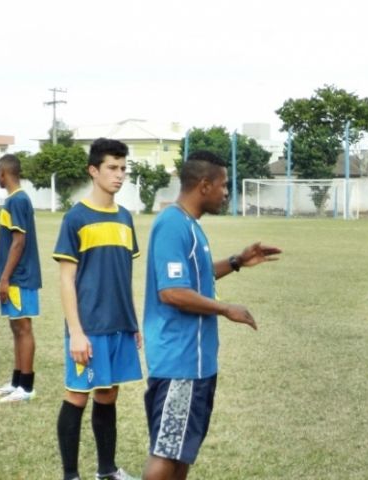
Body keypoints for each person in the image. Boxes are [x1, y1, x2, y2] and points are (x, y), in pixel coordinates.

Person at [142, 150, 280, 480]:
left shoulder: (190, 226)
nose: (226, 192)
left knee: (182, 452)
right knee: (167, 452)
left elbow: (195, 278)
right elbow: (172, 292)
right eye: (223, 185)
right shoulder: (173, 225)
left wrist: (236, 262)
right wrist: (225, 308)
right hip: (180, 361)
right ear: (204, 185)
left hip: (198, 362)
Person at [52, 138, 143, 480]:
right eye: (112, 168)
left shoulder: (125, 218)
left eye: (123, 169)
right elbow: (66, 280)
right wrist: (76, 331)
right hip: (87, 327)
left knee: (108, 394)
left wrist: (133, 323)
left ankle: (106, 470)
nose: (119, 175)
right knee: (77, 396)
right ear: (94, 170)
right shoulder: (76, 218)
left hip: (119, 324)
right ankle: (70, 475)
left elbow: (124, 276)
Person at [0, 155, 42, 403]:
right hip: (14, 278)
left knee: (23, 328)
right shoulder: (14, 200)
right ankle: (16, 382)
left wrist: (5, 278)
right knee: (16, 327)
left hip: (19, 278)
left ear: (2, 173)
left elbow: (18, 242)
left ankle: (27, 387)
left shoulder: (18, 200)